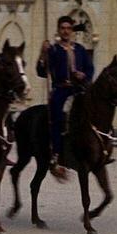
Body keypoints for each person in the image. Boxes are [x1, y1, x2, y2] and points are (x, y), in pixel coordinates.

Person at [36, 15, 93, 166]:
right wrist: (43, 54)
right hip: (61, 90)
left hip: (78, 89)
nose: (66, 31)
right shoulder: (53, 50)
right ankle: (56, 152)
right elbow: (41, 72)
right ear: (59, 30)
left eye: (68, 28)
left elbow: (90, 68)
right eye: (63, 28)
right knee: (57, 118)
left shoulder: (80, 49)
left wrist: (84, 75)